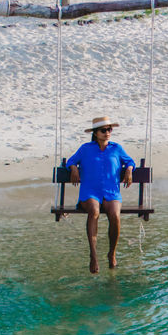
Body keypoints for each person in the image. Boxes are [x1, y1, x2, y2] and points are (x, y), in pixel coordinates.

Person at [66, 115, 135, 273]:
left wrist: (130, 169)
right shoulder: (85, 149)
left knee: (115, 215)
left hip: (111, 191)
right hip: (90, 191)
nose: (107, 133)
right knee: (94, 211)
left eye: (109, 129)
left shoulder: (116, 148)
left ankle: (112, 253)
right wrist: (74, 168)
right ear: (96, 133)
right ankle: (94, 255)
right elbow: (71, 161)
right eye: (104, 130)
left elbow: (130, 161)